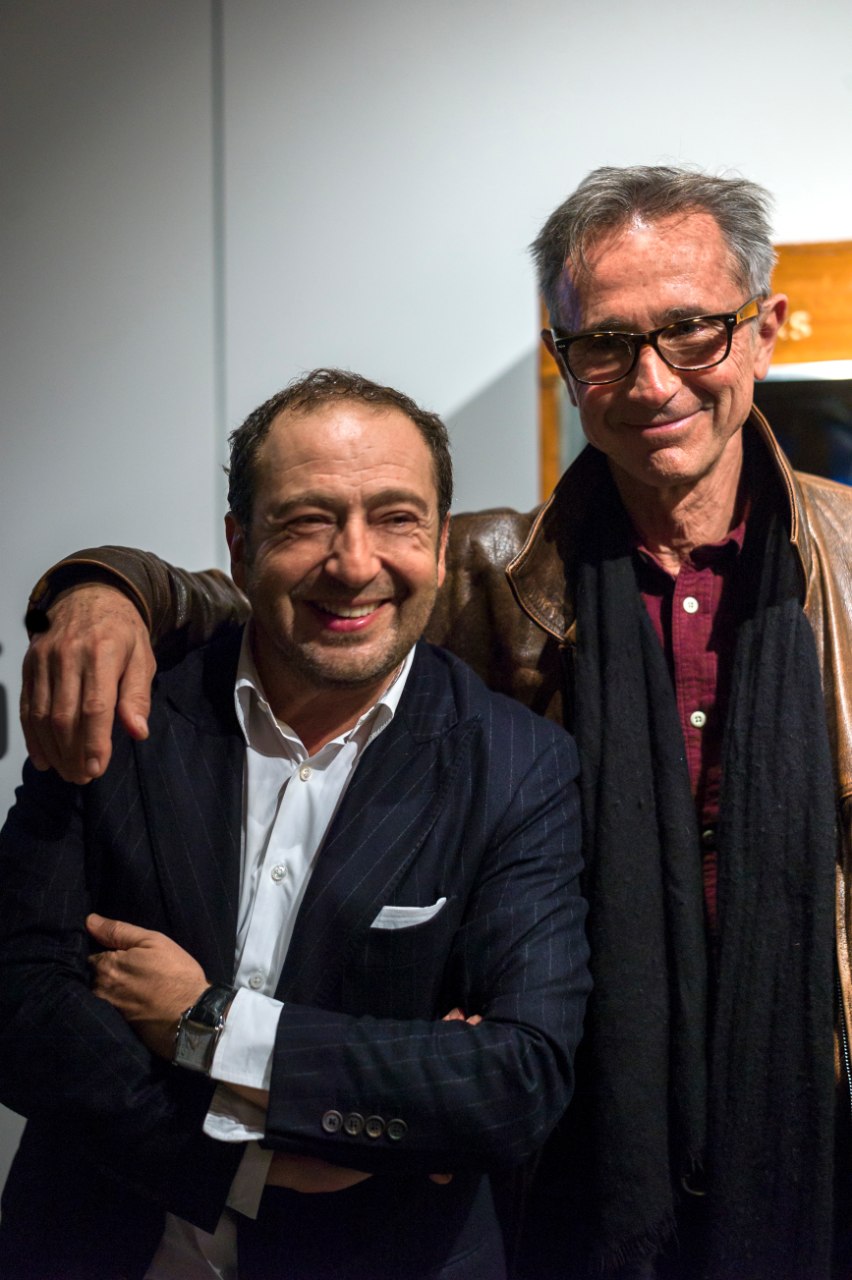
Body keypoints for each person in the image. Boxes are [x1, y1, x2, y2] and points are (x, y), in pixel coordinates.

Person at [16, 165, 852, 1279]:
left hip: (814, 1116)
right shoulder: (495, 570)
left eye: (692, 330)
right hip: (586, 1154)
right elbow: (284, 598)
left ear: (766, 331)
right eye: (606, 344)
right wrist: (104, 589)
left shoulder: (846, 565)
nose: (652, 380)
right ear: (566, 360)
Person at [0, 369, 590, 1280]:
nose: (353, 563)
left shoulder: (518, 765)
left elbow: (517, 1082)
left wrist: (207, 1023)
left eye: (396, 519)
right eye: (307, 521)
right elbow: (18, 996)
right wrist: (238, 1164)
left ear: (440, 545)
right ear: (239, 548)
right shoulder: (124, 708)